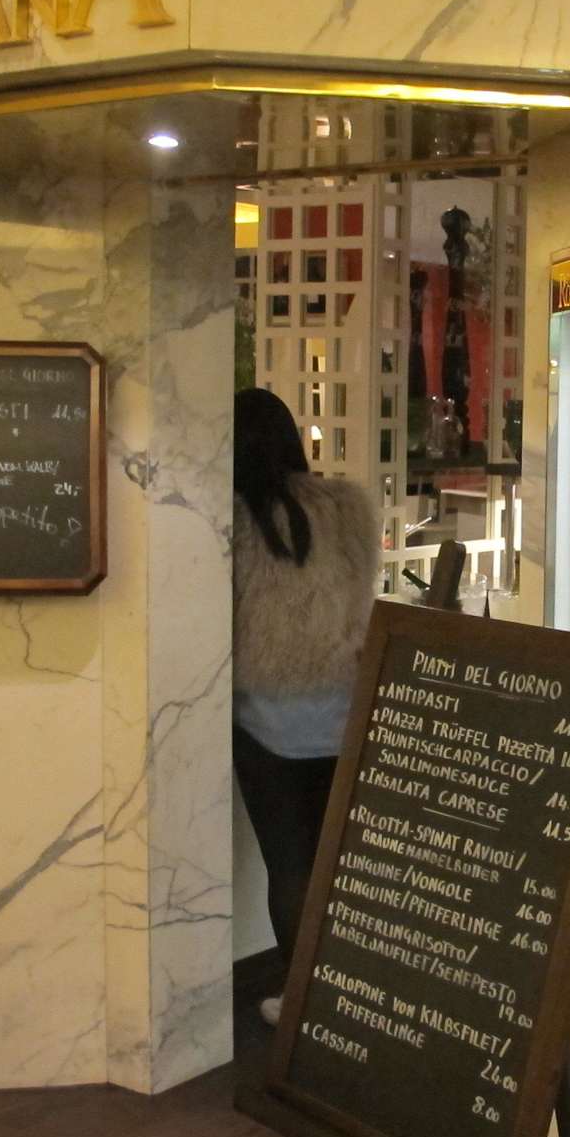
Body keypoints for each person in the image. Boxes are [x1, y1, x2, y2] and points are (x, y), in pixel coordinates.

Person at [232, 388, 380, 1024]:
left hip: (264, 720)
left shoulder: (229, 519)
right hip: (344, 712)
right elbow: (363, 597)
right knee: (337, 865)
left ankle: (303, 1007)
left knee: (290, 867)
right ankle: (352, 995)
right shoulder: (347, 509)